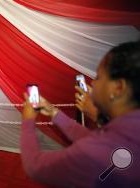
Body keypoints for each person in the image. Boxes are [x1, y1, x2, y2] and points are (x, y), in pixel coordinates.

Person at [20, 41, 140, 188]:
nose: (93, 84)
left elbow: (35, 166)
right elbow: (102, 140)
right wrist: (54, 112)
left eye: (98, 77)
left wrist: (28, 120)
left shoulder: (92, 153)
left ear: (118, 88)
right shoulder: (124, 134)